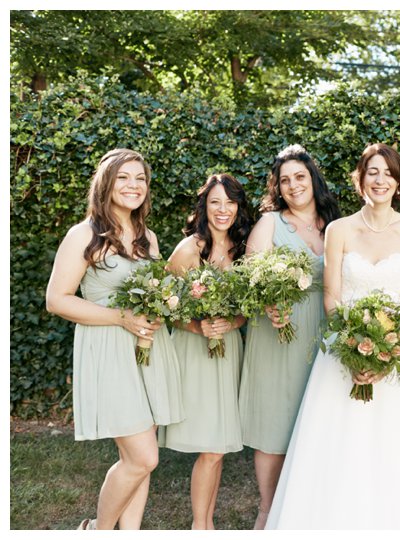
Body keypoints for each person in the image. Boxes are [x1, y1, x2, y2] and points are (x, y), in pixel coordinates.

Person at [265, 143, 400, 529]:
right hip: (343, 352)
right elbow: (331, 296)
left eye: (388, 174)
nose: (380, 180)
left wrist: (385, 353)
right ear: (359, 178)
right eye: (372, 172)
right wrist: (354, 349)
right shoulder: (339, 230)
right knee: (340, 452)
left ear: (398, 183)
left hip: (398, 354)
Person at [45, 148, 184, 530]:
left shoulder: (147, 237)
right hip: (109, 349)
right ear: (106, 183)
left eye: (140, 179)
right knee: (143, 457)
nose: (133, 185)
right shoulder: (84, 235)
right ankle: (97, 532)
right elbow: (56, 300)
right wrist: (122, 318)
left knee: (138, 458)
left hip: (148, 351)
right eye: (124, 177)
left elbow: (155, 290)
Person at [237, 145, 340, 529]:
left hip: (322, 331)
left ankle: (308, 509)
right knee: (275, 423)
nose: (294, 185)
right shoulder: (270, 224)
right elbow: (249, 280)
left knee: (315, 417)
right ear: (277, 188)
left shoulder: (335, 225)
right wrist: (267, 307)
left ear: (313, 179)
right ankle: (268, 511)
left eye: (300, 177)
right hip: (278, 332)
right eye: (285, 180)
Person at [160, 173, 253, 529]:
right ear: (204, 206)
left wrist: (232, 323)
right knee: (212, 447)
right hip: (196, 351)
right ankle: (200, 527)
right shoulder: (189, 249)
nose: (223, 209)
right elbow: (164, 304)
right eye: (215, 202)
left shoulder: (243, 250)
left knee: (220, 445)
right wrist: (198, 326)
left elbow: (247, 309)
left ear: (238, 207)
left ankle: (207, 524)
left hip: (228, 349)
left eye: (230, 202)